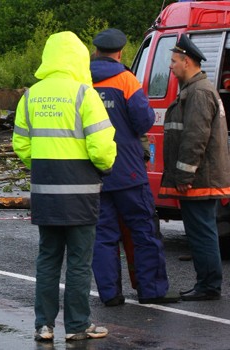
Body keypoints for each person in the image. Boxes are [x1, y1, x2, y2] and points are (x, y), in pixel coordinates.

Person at [12, 31, 117, 342]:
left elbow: (21, 143)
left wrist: (43, 166)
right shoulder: (85, 94)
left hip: (45, 193)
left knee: (47, 259)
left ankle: (43, 326)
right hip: (81, 194)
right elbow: (101, 147)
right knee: (79, 262)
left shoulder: (31, 95)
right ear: (79, 58)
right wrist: (105, 167)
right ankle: (78, 325)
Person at [90, 28, 179, 306]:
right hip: (128, 170)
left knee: (103, 236)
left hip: (94, 173)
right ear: (120, 52)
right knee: (143, 231)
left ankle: (110, 295)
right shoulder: (126, 79)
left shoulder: (81, 81)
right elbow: (144, 120)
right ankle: (150, 291)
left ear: (95, 52)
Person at [159, 34, 230, 301]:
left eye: (174, 61)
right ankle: (207, 284)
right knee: (202, 231)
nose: (171, 66)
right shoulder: (197, 90)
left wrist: (184, 174)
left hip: (199, 179)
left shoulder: (199, 93)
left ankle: (209, 286)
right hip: (201, 177)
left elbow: (195, 138)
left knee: (202, 233)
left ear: (187, 61)